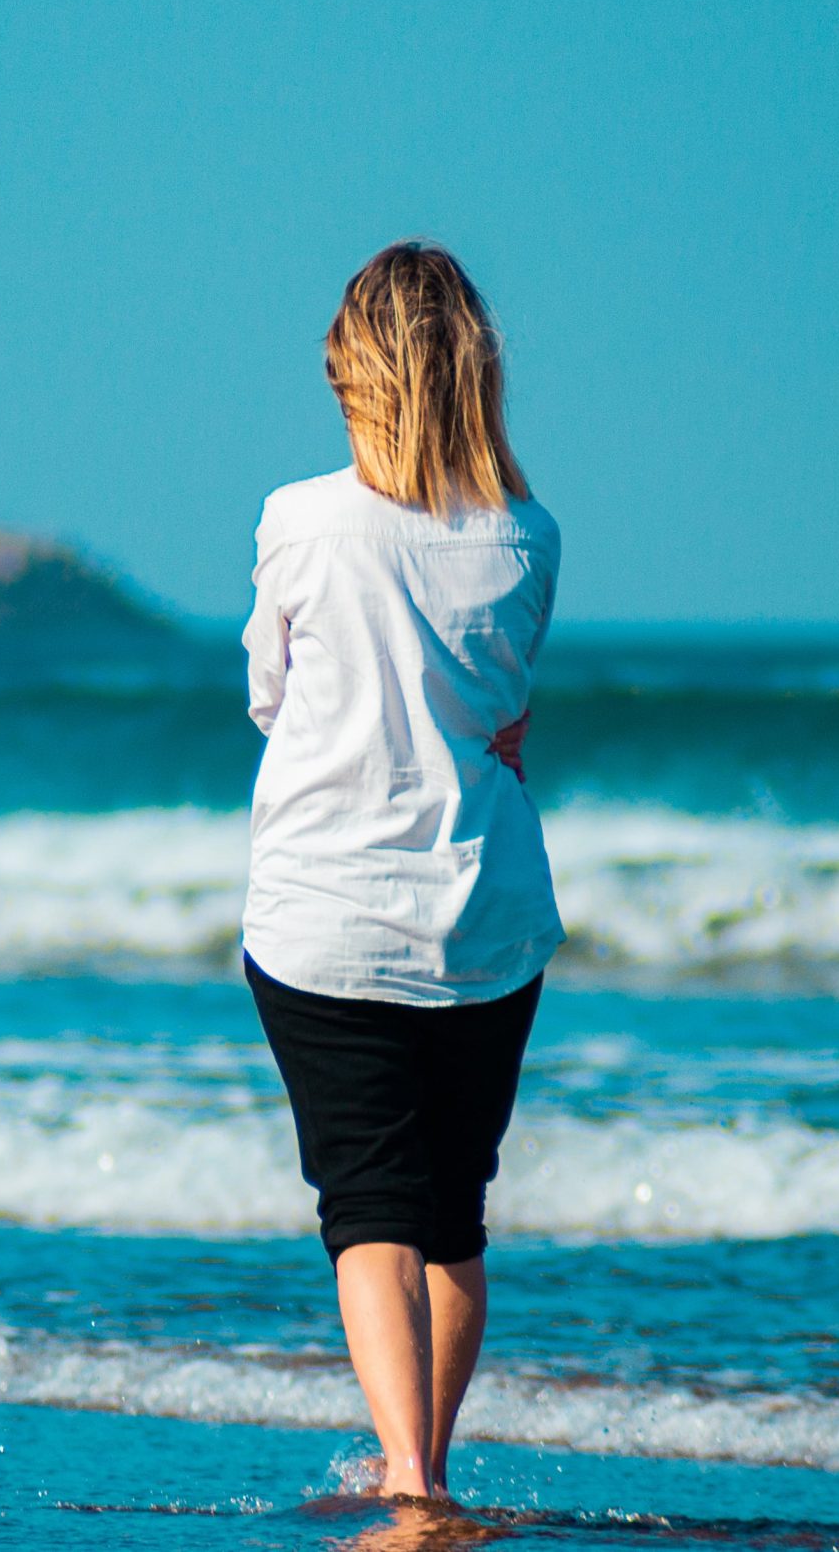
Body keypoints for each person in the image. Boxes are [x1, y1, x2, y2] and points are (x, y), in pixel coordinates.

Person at [241, 240, 561, 1503]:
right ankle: (415, 1462)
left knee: (367, 1208)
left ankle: (413, 1481)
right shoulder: (529, 536)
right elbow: (505, 709)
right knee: (451, 1216)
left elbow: (269, 697)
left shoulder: (298, 521)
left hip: (327, 916)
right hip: (483, 917)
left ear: (358, 382)